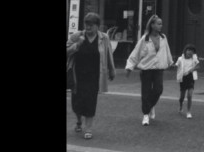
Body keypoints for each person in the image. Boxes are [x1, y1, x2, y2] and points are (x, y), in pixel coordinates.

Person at [67, 12, 116, 140]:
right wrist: (77, 45)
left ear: (97, 26)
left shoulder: (104, 38)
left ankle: (88, 128)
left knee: (90, 101)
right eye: (86, 25)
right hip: (78, 75)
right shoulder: (77, 36)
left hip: (94, 75)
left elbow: (108, 54)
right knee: (76, 103)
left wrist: (112, 70)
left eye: (91, 25)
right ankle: (79, 120)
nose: (88, 28)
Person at [126, 14, 174, 126]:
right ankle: (146, 115)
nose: (161, 25)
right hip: (146, 70)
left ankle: (150, 105)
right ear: (152, 25)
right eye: (158, 23)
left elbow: (167, 51)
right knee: (146, 93)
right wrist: (129, 67)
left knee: (158, 90)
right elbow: (136, 53)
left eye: (161, 23)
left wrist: (170, 62)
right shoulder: (145, 39)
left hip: (158, 69)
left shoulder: (163, 38)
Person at [175, 43, 199, 119]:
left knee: (189, 95)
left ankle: (188, 111)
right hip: (183, 78)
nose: (189, 52)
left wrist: (192, 69)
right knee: (182, 96)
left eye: (192, 51)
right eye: (188, 50)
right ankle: (181, 105)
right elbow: (177, 67)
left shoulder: (194, 59)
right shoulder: (180, 59)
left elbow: (198, 66)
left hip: (191, 78)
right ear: (185, 51)